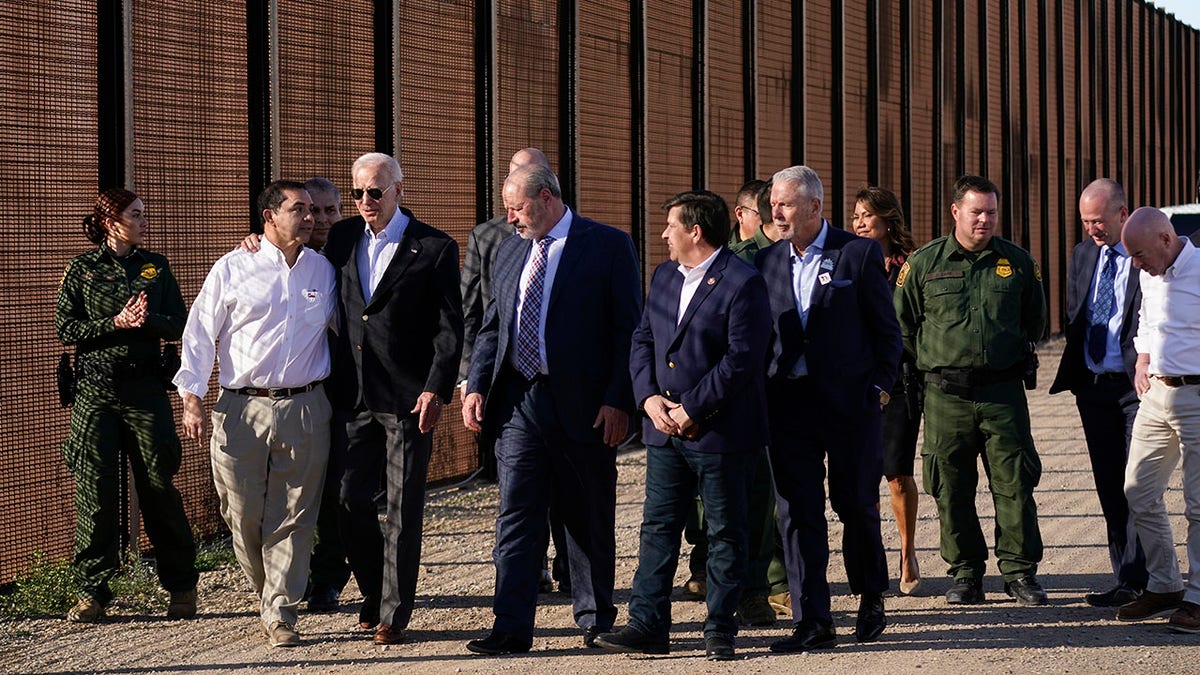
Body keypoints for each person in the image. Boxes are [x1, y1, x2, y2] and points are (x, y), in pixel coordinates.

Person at [461, 163, 642, 655]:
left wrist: (618, 400)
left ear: (546, 197)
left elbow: (628, 330)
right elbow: (491, 326)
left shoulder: (606, 245)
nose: (511, 218)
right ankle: (511, 626)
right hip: (518, 403)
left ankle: (595, 617)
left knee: (585, 515)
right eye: (506, 210)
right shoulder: (507, 247)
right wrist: (475, 384)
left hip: (585, 406)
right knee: (516, 516)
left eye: (517, 208)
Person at [595, 190, 771, 661]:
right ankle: (648, 624)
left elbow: (741, 360)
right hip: (662, 428)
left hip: (718, 431)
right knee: (658, 527)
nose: (663, 234)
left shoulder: (742, 281)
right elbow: (643, 338)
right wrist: (648, 399)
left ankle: (720, 629)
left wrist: (692, 409)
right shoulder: (664, 275)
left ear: (695, 231)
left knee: (724, 530)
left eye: (671, 225)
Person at [174, 180, 336, 647]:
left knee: (296, 512)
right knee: (240, 510)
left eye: (312, 210)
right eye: (299, 209)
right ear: (269, 216)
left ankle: (280, 608)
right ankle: (268, 592)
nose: (310, 218)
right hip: (241, 407)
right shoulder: (233, 267)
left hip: (306, 405)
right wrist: (192, 398)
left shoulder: (323, 271)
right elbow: (201, 334)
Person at [322, 152, 464, 645]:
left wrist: (436, 387)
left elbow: (450, 328)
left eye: (375, 193)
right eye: (357, 193)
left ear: (399, 191)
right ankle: (373, 591)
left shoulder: (434, 247)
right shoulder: (340, 239)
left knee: (403, 508)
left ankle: (393, 611)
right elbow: (293, 261)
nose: (364, 202)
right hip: (353, 394)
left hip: (408, 397)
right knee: (347, 498)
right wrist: (254, 244)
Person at [756, 166, 900, 652]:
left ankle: (869, 595)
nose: (775, 212)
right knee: (797, 512)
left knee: (855, 504)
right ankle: (813, 618)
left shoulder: (856, 254)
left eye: (786, 204)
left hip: (849, 407)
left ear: (815, 207)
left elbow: (887, 332)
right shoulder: (766, 261)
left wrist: (879, 387)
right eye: (773, 203)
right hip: (787, 406)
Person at [895, 174, 1048, 607]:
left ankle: (1020, 574)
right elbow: (903, 327)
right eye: (976, 211)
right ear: (955, 212)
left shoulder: (1018, 263)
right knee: (951, 486)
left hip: (1003, 393)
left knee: (1015, 484)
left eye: (992, 212)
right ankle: (965, 574)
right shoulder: (924, 264)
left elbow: (1034, 322)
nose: (984, 220)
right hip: (946, 396)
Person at [55, 188, 198, 624]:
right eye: (135, 215)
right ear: (109, 221)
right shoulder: (82, 269)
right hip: (95, 392)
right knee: (95, 492)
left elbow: (180, 320)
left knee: (158, 486)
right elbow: (66, 327)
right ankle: (92, 592)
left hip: (145, 391)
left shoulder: (155, 266)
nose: (144, 221)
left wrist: (147, 319)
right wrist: (114, 322)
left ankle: (181, 586)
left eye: (145, 214)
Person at [1048, 179, 1148, 607]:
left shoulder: (1146, 256)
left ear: (1123, 215)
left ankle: (1151, 579)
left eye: (1099, 221)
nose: (1092, 229)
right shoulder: (1083, 253)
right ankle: (1126, 579)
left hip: (1134, 389)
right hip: (1092, 388)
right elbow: (1077, 313)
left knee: (1138, 483)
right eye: (1086, 221)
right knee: (1109, 483)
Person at [1115, 207, 1200, 631]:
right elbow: (1147, 320)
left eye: (1141, 254)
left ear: (1166, 239)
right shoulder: (1150, 270)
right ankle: (1164, 584)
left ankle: (1199, 599)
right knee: (1139, 490)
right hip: (1157, 393)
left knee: (1199, 504)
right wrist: (1143, 358)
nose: (1136, 264)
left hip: (1197, 395)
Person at [851, 186, 924, 596]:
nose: (859, 222)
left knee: (896, 473)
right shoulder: (846, 261)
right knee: (862, 473)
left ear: (888, 219)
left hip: (899, 381)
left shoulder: (909, 268)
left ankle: (907, 550)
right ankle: (873, 555)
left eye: (867, 215)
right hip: (858, 381)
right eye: (856, 215)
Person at [297, 176, 350, 613]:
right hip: (298, 389)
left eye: (332, 210)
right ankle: (291, 574)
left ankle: (328, 577)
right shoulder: (276, 256)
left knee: (335, 487)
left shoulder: (351, 249)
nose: (323, 220)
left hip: (343, 391)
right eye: (314, 211)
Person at [727, 179, 774, 264]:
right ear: (740, 214)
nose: (771, 218)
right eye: (762, 212)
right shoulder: (720, 247)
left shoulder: (782, 248)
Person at [305, 177, 341, 252]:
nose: (322, 220)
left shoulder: (356, 252)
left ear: (340, 211)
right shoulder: (289, 257)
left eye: (330, 211)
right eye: (314, 211)